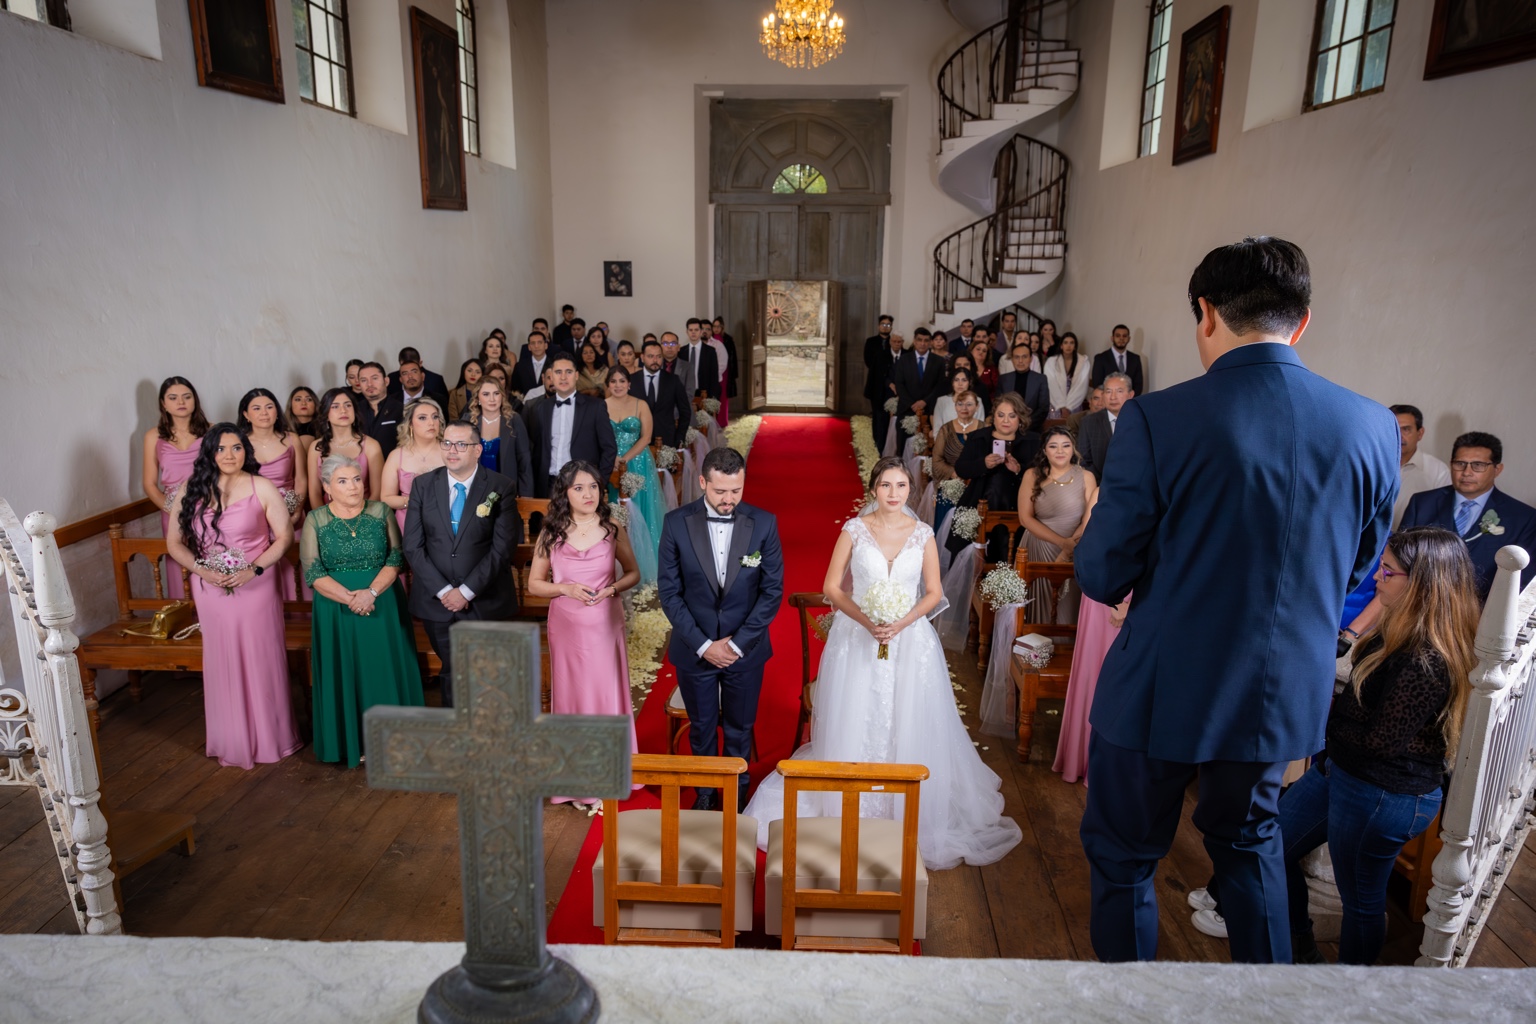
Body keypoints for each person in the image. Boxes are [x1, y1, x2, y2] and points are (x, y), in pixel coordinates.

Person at [1073, 236, 1399, 964]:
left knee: (1125, 856)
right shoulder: (1372, 424)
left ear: (1205, 312)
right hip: (1277, 693)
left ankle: (1128, 1009)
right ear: (1303, 321)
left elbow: (1100, 575)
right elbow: (1357, 572)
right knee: (1250, 851)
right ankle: (1269, 1010)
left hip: (1159, 686)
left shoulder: (1158, 418)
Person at [743, 458, 1022, 868]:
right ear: (874, 489)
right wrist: (866, 620)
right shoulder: (854, 530)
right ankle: (848, 802)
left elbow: (932, 592)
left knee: (908, 716)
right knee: (859, 713)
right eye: (887, 485)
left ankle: (904, 804)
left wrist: (904, 621)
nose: (895, 494)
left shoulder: (923, 533)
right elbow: (831, 588)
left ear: (910, 490)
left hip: (911, 641)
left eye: (902, 486)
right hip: (858, 637)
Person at [1274, 527, 1477, 965]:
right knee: (1275, 844)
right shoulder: (1398, 626)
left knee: (1362, 904)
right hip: (1344, 772)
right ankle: (1301, 951)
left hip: (1384, 793)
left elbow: (1381, 743)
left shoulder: (1426, 659)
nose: (1378, 578)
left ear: (1423, 584)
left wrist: (1313, 713)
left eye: (1389, 571)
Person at [164, 423, 300, 770]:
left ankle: (272, 737)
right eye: (222, 449)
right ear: (209, 452)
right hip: (210, 588)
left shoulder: (262, 486)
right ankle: (232, 738)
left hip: (255, 585)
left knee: (260, 656)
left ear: (246, 451)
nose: (229, 455)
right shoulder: (190, 491)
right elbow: (174, 544)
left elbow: (283, 538)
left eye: (237, 448)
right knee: (221, 658)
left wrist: (253, 569)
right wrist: (203, 571)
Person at [657, 447, 784, 811]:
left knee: (739, 728)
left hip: (746, 648)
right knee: (701, 727)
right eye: (720, 492)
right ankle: (705, 791)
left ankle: (736, 791)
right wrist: (702, 645)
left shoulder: (763, 523)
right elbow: (670, 592)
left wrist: (738, 644)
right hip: (694, 646)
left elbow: (772, 591)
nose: (729, 500)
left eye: (736, 491)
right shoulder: (676, 522)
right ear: (702, 482)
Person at [527, 461, 643, 807]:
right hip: (566, 624)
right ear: (564, 493)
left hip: (604, 622)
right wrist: (564, 589)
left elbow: (634, 573)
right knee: (573, 696)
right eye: (578, 488)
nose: (588, 493)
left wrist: (611, 590)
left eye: (593, 486)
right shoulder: (551, 532)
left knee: (605, 694)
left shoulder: (612, 527)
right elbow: (535, 584)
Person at [302, 455, 425, 768]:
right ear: (327, 487)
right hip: (336, 610)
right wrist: (350, 598)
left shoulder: (381, 511)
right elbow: (313, 572)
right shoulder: (315, 519)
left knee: (383, 669)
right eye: (343, 481)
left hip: (382, 601)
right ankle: (351, 741)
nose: (353, 486)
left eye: (356, 479)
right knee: (348, 672)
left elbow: (397, 558)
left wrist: (370, 593)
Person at [403, 422, 522, 707]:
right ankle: (458, 738)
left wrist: (466, 591)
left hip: (485, 599)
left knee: (486, 672)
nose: (451, 450)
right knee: (452, 671)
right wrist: (445, 592)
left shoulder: (500, 486)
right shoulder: (423, 484)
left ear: (478, 450)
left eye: (460, 444)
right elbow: (413, 545)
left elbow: (502, 548)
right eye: (446, 443)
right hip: (437, 602)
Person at [1395, 431, 1536, 600]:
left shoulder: (1523, 518)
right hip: (1420, 605)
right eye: (1460, 464)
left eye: (1478, 465)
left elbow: (1522, 581)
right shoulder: (1422, 503)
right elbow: (1399, 560)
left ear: (1497, 469)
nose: (1467, 472)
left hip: (1483, 615)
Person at [1053, 494, 1129, 784]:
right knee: (1094, 675)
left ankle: (1114, 770)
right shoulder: (1102, 491)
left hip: (1140, 595)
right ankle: (1086, 761)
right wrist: (1114, 598)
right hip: (1104, 592)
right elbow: (1090, 540)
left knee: (1121, 682)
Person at [946, 393, 1040, 558]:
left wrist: (1019, 469)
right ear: (993, 417)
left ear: (1020, 419)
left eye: (1012, 416)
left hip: (1020, 505)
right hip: (980, 502)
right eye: (1001, 415)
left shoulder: (1033, 441)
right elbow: (961, 468)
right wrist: (983, 464)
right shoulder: (978, 437)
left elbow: (1041, 474)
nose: (1005, 421)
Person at [1018, 426, 1095, 624]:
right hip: (1039, 546)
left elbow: (1090, 518)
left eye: (1066, 445)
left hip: (1075, 548)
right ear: (1045, 450)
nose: (1060, 451)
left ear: (1073, 448)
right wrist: (1063, 543)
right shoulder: (1031, 476)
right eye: (1053, 446)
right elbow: (1025, 519)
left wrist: (1069, 547)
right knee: (1037, 606)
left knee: (1066, 609)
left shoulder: (1086, 477)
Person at [142, 376, 209, 598]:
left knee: (210, 557)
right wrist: (174, 511)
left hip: (210, 505)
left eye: (186, 396)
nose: (181, 402)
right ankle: (184, 614)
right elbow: (149, 484)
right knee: (179, 560)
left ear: (195, 400)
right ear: (163, 403)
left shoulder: (212, 431)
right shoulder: (153, 436)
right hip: (172, 508)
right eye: (173, 397)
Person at [239, 388, 307, 594]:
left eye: (269, 407)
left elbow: (301, 478)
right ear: (246, 415)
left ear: (277, 412)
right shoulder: (239, 443)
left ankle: (301, 617)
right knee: (263, 568)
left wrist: (295, 512)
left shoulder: (292, 439)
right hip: (254, 516)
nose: (264, 413)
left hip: (291, 514)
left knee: (296, 567)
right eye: (257, 408)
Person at [523, 352, 618, 498]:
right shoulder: (542, 407)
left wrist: (599, 482)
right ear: (551, 376)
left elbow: (609, 448)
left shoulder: (595, 407)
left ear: (576, 375)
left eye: (568, 372)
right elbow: (537, 449)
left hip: (583, 484)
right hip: (549, 484)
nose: (563, 377)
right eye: (558, 372)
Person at [605, 368, 662, 583]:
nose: (618, 385)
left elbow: (646, 437)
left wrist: (625, 458)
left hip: (637, 463)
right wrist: (612, 460)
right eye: (613, 381)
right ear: (608, 385)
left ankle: (642, 563)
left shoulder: (640, 405)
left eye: (622, 381)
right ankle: (618, 562)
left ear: (629, 384)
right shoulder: (602, 406)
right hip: (611, 465)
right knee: (615, 510)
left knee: (640, 509)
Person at [309, 388, 384, 505]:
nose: (343, 410)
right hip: (327, 516)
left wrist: (362, 520)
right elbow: (314, 492)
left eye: (348, 405)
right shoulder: (316, 447)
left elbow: (377, 492)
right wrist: (323, 520)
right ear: (326, 414)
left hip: (365, 514)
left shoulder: (371, 446)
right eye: (335, 406)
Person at [381, 397, 446, 533]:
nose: (431, 423)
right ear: (410, 424)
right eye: (422, 418)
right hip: (408, 524)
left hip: (445, 522)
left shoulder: (449, 451)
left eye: (435, 417)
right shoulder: (396, 456)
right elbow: (386, 498)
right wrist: (413, 501)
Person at [467, 378, 534, 498]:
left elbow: (524, 461)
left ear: (502, 396)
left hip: (506, 491)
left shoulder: (514, 420)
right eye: (486, 394)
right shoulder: (468, 421)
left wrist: (526, 494)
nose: (492, 399)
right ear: (478, 399)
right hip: (474, 492)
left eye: (496, 393)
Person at [1389, 404, 1451, 528]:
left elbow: (1443, 517)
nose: (1399, 436)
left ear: (1420, 433)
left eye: (1406, 429)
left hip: (1414, 544)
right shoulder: (1371, 465)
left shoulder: (1438, 471)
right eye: (1393, 428)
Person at [893, 328, 946, 448]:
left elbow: (940, 386)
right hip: (906, 409)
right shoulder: (904, 359)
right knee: (903, 445)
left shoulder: (938, 361)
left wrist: (924, 402)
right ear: (914, 341)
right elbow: (899, 384)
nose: (923, 343)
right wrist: (913, 404)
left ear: (930, 342)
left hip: (929, 409)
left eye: (926, 340)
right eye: (919, 340)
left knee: (926, 447)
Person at [1077, 372, 1134, 479]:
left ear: (1130, 395)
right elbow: (1083, 460)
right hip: (1100, 486)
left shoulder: (1140, 422)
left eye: (1119, 391)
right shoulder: (1089, 422)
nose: (1113, 397)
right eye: (1108, 391)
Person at [637, 339, 692, 447]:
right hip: (637, 441)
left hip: (667, 440)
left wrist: (679, 438)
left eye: (658, 356)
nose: (655, 360)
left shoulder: (673, 380)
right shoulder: (632, 381)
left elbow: (685, 411)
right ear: (642, 358)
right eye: (650, 356)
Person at [996, 339, 1051, 435]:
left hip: (1032, 430)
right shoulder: (1003, 379)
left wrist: (1024, 424)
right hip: (1006, 429)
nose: (1020, 361)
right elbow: (998, 405)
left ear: (1030, 358)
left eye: (1024, 357)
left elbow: (1043, 408)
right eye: (1016, 357)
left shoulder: (1040, 379)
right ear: (1012, 359)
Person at [356, 362, 403, 459]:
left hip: (393, 466)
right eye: (363, 380)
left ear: (386, 381)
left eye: (375, 378)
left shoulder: (401, 409)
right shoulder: (354, 410)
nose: (369, 384)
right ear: (359, 385)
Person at [1090, 324, 1145, 394]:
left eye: (1124, 336)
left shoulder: (1135, 359)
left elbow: (1138, 385)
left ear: (1129, 339)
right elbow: (1097, 385)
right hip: (1108, 402)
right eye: (1118, 335)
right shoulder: (1100, 358)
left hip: (1129, 402)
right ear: (1112, 338)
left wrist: (1130, 401)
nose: (1121, 338)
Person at [1044, 332, 1089, 418]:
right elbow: (1051, 384)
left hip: (1075, 403)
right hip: (1055, 403)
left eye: (1071, 343)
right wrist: (1061, 406)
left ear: (1075, 346)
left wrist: (1069, 407)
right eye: (1065, 342)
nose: (1068, 346)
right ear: (1061, 346)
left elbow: (1081, 386)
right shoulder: (1051, 362)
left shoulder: (1083, 362)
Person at [679, 318, 722, 401]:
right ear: (686, 332)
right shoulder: (681, 352)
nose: (693, 332)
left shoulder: (710, 351)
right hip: (685, 394)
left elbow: (714, 377)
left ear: (701, 331)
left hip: (704, 393)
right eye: (690, 330)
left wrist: (713, 398)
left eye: (696, 330)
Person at [712, 316, 739, 423]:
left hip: (725, 370)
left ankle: (722, 420)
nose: (716, 329)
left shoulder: (727, 339)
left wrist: (733, 373)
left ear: (722, 327)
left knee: (723, 395)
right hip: (714, 369)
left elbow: (733, 357)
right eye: (714, 326)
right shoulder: (710, 339)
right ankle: (714, 419)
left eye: (719, 326)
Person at [510, 329, 551, 399]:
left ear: (546, 345)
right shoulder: (520, 366)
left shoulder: (555, 365)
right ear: (529, 347)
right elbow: (515, 389)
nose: (536, 346)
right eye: (533, 343)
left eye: (540, 342)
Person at [448, 358, 485, 422]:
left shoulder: (487, 393)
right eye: (469, 371)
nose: (473, 374)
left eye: (477, 372)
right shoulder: (454, 394)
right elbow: (453, 419)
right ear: (463, 372)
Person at [968, 335, 998, 403]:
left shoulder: (991, 369)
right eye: (978, 349)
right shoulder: (966, 366)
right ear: (971, 351)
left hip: (987, 403)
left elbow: (996, 388)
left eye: (984, 351)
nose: (981, 352)